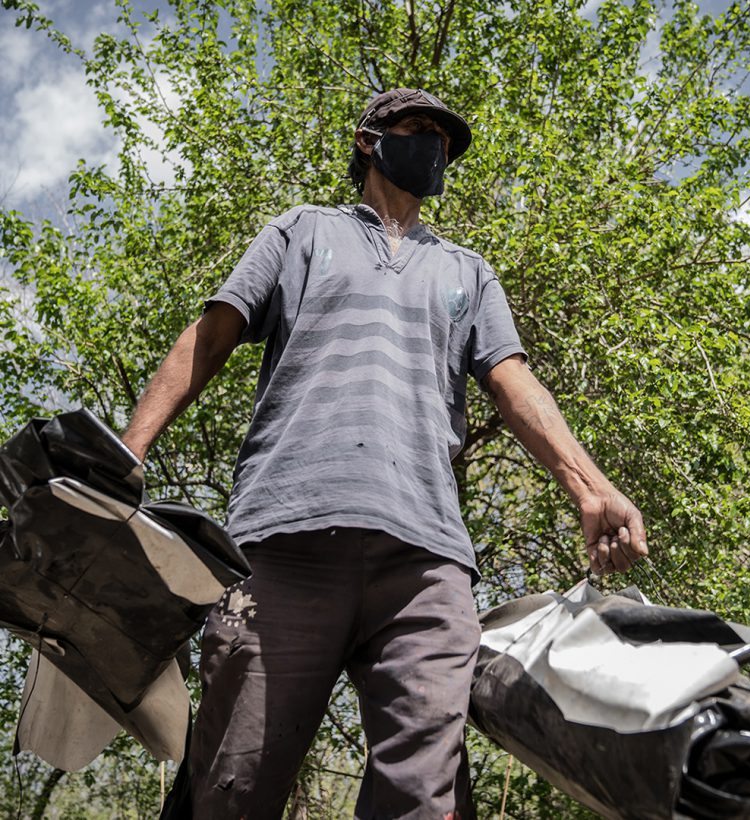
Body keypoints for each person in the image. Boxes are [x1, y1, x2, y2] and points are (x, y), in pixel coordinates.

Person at [122, 88, 648, 820]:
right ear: (370, 140)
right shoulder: (301, 231)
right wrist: (125, 454)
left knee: (424, 801)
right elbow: (210, 335)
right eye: (417, 130)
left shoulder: (468, 271)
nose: (433, 147)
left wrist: (591, 487)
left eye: (443, 138)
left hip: (425, 568)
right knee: (231, 788)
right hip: (285, 543)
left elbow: (513, 384)